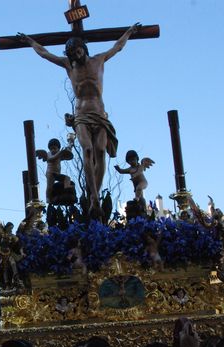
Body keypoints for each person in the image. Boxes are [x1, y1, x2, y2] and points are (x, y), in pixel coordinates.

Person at [19, 23, 140, 215]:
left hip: (99, 114)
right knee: (88, 149)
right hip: (81, 115)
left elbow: (118, 46)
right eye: (73, 54)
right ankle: (92, 194)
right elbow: (44, 53)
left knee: (100, 151)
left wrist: (129, 32)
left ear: (83, 49)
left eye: (78, 51)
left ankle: (95, 195)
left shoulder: (99, 60)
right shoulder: (69, 65)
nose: (76, 55)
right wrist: (30, 41)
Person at [35, 136, 75, 204]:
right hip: (50, 173)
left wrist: (70, 144)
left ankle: (66, 190)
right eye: (51, 149)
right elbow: (50, 159)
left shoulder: (59, 154)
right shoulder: (49, 154)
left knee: (67, 178)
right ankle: (48, 198)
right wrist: (59, 153)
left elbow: (67, 154)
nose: (53, 150)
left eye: (54, 148)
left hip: (57, 173)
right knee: (50, 186)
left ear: (58, 148)